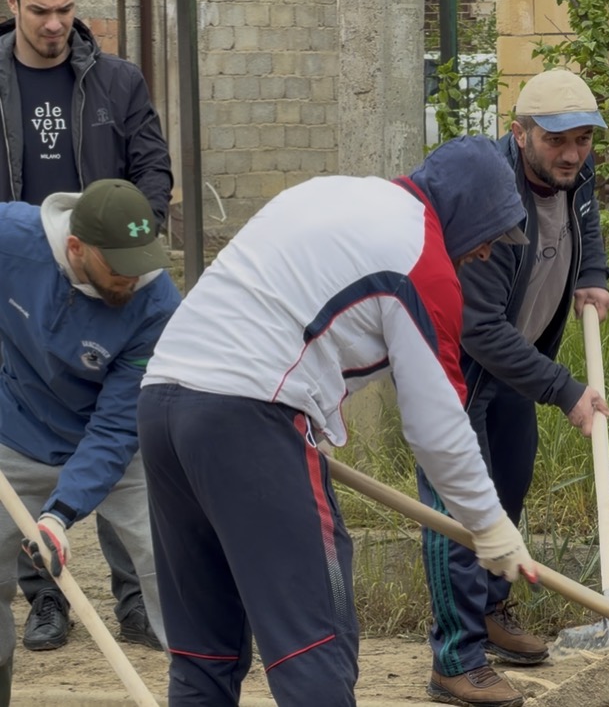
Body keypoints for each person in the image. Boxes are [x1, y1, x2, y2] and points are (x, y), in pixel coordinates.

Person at [136, 136, 540, 707]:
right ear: (466, 211)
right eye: (489, 235)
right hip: (250, 416)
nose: (485, 253)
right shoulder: (421, 261)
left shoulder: (332, 196)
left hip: (163, 403)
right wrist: (489, 524)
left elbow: (287, 313)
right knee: (314, 644)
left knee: (206, 651)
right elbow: (438, 428)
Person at [423, 69, 609, 707]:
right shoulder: (492, 196)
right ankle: (456, 659)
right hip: (458, 370)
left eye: (583, 140)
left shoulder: (575, 171)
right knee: (460, 510)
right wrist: (564, 388)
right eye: (556, 140)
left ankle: (490, 611)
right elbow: (477, 326)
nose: (572, 154)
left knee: (509, 485)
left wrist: (592, 272)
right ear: (520, 132)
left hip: (516, 362)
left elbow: (585, 217)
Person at [1, 0, 173, 653]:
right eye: (40, 10)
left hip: (107, 277)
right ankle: (46, 599)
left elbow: (152, 166)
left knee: (159, 534)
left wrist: (133, 248)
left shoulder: (116, 81)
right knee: (25, 522)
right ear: (12, 2)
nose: (55, 23)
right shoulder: (15, 243)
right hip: (26, 342)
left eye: (65, 10)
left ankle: (174, 634)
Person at [0, 179, 179, 702]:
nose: (134, 277)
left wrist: (59, 515)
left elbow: (116, 427)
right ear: (76, 247)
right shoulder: (12, 239)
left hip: (122, 450)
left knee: (175, 568)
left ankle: (202, 686)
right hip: (17, 435)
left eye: (141, 262)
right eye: (120, 266)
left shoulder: (157, 304)